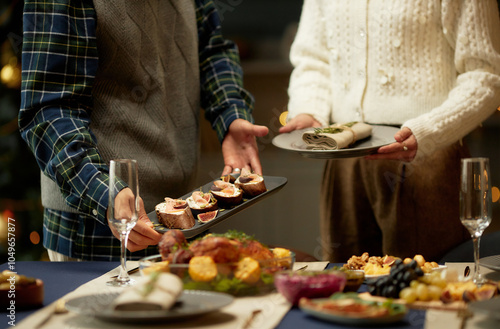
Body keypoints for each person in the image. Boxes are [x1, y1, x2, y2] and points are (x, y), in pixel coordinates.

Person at [19, 0, 268, 261]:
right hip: (96, 226)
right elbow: (48, 110)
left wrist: (230, 115)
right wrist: (105, 193)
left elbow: (211, 48)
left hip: (184, 213)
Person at [280, 1, 500, 262]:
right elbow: (312, 60)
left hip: (428, 160)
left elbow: (485, 73)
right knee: (346, 289)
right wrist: (308, 110)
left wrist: (431, 130)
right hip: (345, 161)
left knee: (427, 289)